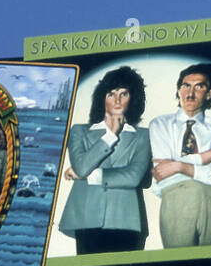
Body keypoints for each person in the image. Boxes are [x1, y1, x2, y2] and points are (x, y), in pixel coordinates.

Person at [57, 66, 152, 254]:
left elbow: (133, 177)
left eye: (124, 94)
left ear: (133, 99)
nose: (117, 100)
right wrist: (110, 135)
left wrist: (89, 176)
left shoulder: (144, 135)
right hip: (86, 219)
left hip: (127, 220)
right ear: (102, 98)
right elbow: (82, 167)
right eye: (111, 94)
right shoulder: (79, 131)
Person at [148, 63, 211, 248]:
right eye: (185, 85)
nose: (190, 93)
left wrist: (179, 166)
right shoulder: (160, 124)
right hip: (175, 200)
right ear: (178, 89)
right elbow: (161, 171)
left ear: (210, 93)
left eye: (199, 86)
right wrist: (202, 158)